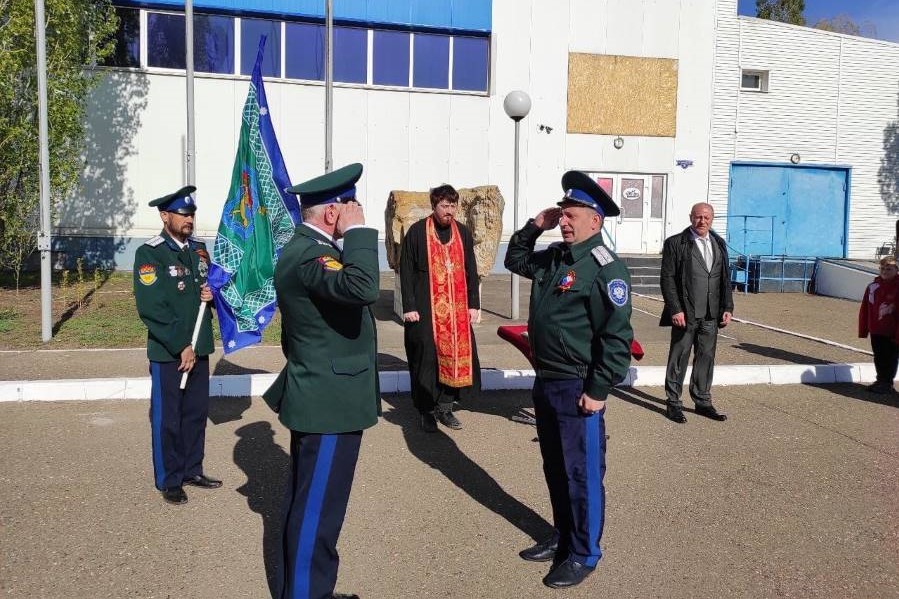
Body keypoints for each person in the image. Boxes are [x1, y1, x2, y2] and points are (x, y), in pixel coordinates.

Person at [504, 170, 634, 589]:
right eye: (561, 213)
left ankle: (584, 552)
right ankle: (563, 535)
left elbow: (616, 338)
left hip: (579, 387)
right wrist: (533, 227)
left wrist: (598, 391)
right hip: (547, 381)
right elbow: (514, 260)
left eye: (571, 213)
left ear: (595, 220)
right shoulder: (556, 257)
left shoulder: (605, 269)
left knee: (582, 472)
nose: (563, 220)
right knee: (556, 468)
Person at [262, 163, 378, 599]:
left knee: (311, 505)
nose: (355, 211)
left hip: (325, 397)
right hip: (330, 404)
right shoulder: (313, 255)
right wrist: (360, 233)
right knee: (317, 514)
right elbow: (364, 288)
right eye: (350, 207)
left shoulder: (305, 251)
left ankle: (308, 590)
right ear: (334, 213)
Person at [133, 185, 221, 506]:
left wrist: (212, 296)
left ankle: (191, 470)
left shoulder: (198, 250)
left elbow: (208, 288)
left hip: (199, 345)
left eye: (191, 214)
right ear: (165, 216)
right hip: (170, 351)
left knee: (195, 413)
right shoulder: (150, 254)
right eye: (183, 215)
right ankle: (169, 479)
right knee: (167, 417)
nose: (189, 219)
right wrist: (180, 345)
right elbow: (152, 308)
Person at [400, 184, 481, 432]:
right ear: (434, 206)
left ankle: (445, 407)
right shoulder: (416, 232)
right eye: (445, 206)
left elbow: (471, 269)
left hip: (456, 309)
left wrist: (474, 305)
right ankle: (425, 410)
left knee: (455, 355)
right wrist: (409, 305)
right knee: (425, 357)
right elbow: (406, 270)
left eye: (453, 206)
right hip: (425, 306)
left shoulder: (463, 233)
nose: (450, 211)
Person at [659, 202, 734, 424]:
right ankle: (673, 403)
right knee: (679, 357)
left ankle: (702, 400)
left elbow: (724, 278)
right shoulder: (676, 243)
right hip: (686, 313)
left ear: (712, 219)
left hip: (711, 314)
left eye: (706, 217)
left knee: (706, 358)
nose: (702, 221)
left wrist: (727, 307)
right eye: (698, 217)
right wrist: (675, 308)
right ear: (691, 217)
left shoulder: (718, 243)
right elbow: (667, 279)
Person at [858, 255, 899, 393]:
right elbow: (865, 309)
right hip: (876, 329)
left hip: (893, 330)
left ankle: (887, 383)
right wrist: (864, 329)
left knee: (891, 357)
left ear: (896, 270)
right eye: (882, 268)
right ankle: (881, 380)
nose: (885, 271)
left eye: (889, 268)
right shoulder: (872, 287)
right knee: (879, 356)